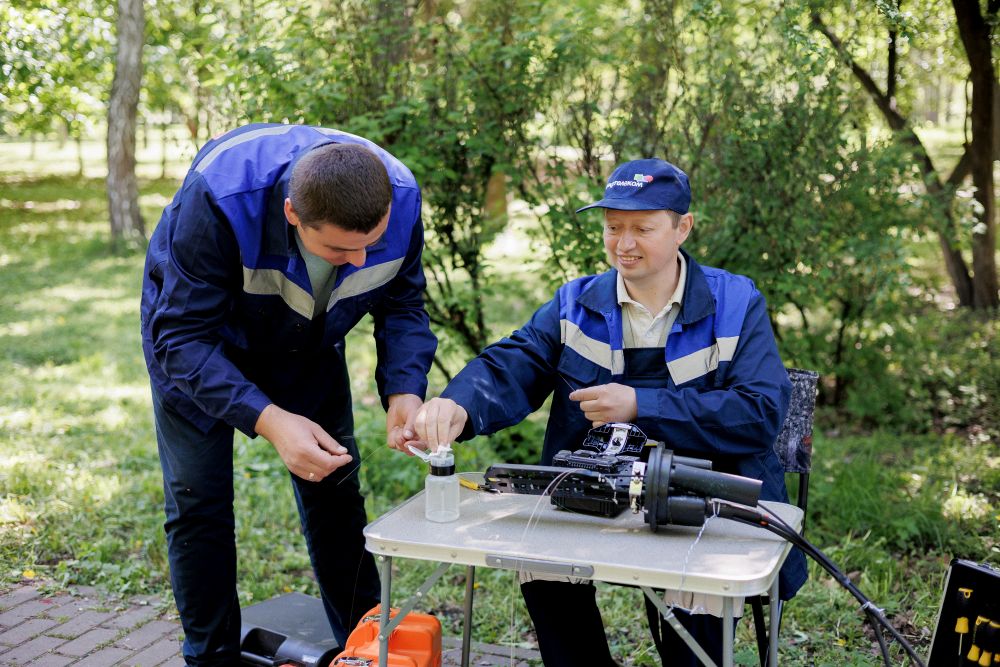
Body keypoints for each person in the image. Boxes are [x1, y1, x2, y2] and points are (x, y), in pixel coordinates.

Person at [409, 158, 807, 666]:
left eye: (643, 227)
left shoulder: (735, 303)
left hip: (702, 500)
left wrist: (641, 404)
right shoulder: (575, 303)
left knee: (694, 603)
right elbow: (516, 362)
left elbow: (760, 412)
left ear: (683, 227)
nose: (625, 243)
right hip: (591, 497)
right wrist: (457, 404)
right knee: (541, 563)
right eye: (613, 227)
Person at [141, 123, 437, 666]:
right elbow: (179, 339)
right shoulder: (219, 198)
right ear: (292, 214)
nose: (357, 262)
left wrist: (403, 390)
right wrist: (270, 420)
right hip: (200, 343)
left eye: (371, 244)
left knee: (336, 494)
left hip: (310, 341)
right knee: (198, 504)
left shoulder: (401, 196)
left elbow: (402, 304)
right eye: (339, 248)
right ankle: (211, 659)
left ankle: (369, 650)